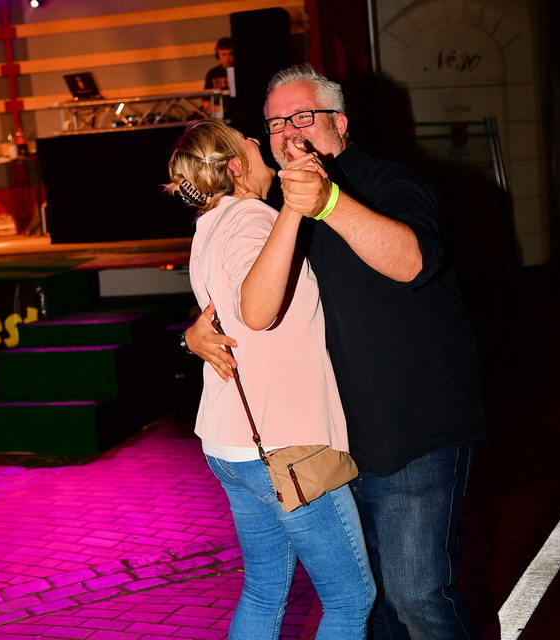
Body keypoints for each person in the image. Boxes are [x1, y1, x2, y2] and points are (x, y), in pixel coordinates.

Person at [185, 65, 489, 640]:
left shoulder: (387, 182)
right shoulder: (276, 212)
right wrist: (193, 334)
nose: (287, 131)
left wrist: (328, 202)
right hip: (333, 435)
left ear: (340, 124)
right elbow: (244, 298)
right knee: (370, 605)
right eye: (275, 123)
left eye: (302, 116)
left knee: (415, 596)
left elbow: (412, 262)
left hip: (410, 428)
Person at [167, 118, 375, 640]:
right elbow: (256, 313)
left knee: (263, 589)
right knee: (350, 600)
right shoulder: (251, 219)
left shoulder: (210, 224)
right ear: (237, 166)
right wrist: (292, 210)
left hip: (231, 444)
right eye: (251, 143)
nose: (261, 144)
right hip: (283, 445)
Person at [203, 37, 234, 116]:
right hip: (219, 115)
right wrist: (219, 109)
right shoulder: (212, 74)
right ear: (218, 55)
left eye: (231, 54)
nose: (228, 58)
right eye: (224, 55)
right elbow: (206, 101)